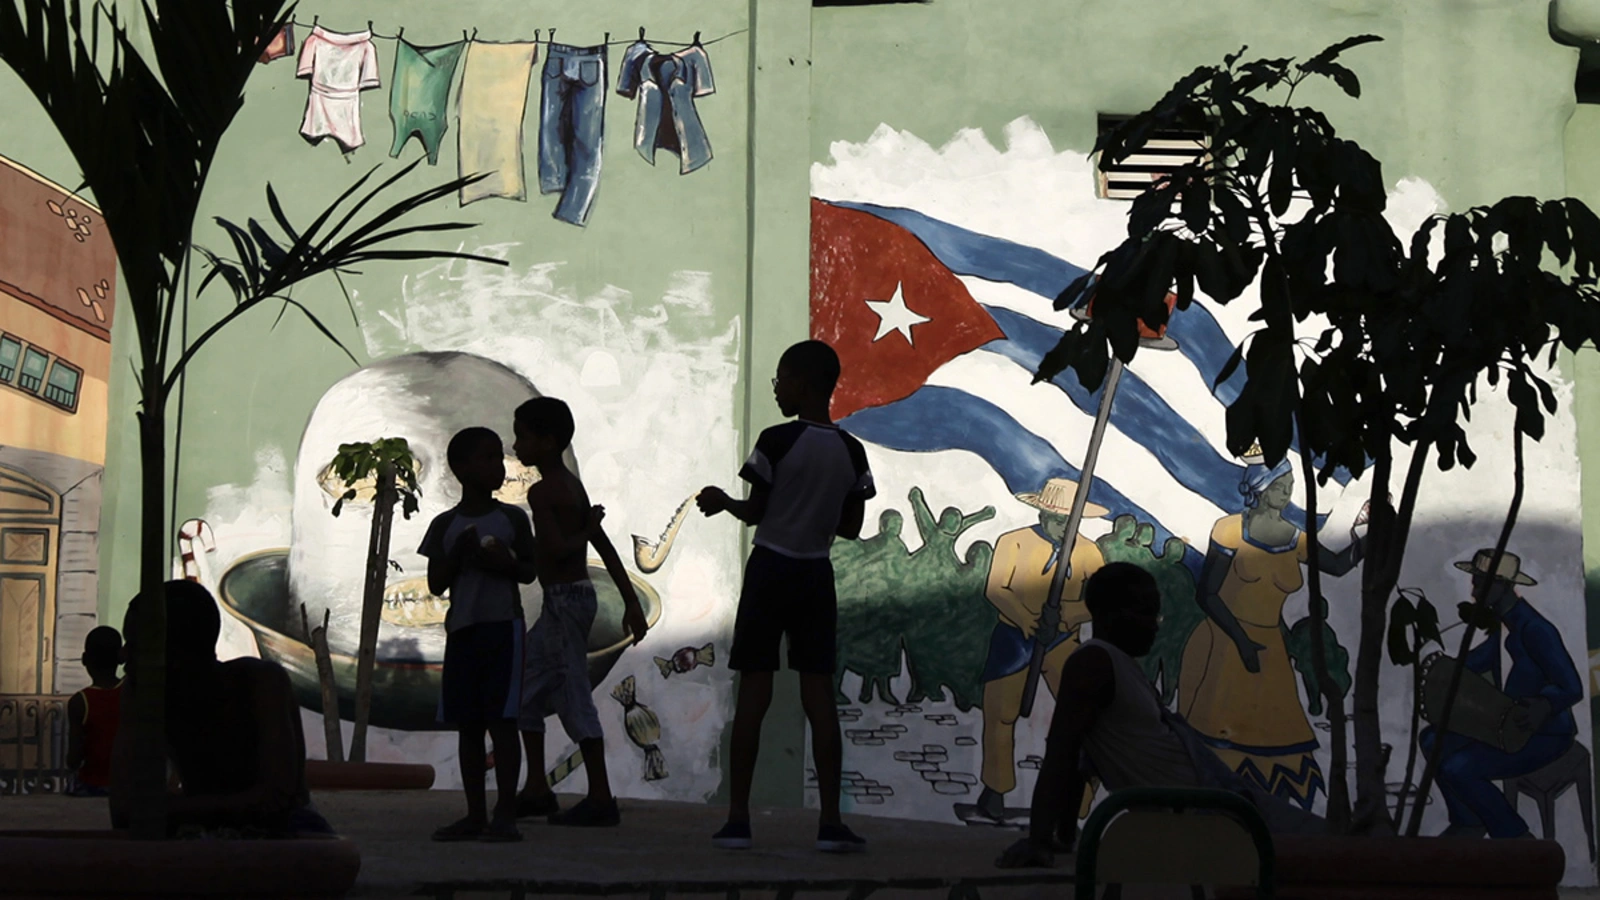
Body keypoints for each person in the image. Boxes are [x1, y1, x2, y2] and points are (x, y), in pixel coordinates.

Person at [997, 562, 1325, 870]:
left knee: (1333, 840)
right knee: (1328, 851)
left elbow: (1080, 761)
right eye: (1146, 613)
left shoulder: (1120, 666)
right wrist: (1039, 841)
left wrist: (1064, 835)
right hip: (1201, 812)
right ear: (1111, 614)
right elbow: (1062, 752)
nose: (1155, 624)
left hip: (1216, 800)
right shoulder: (1093, 664)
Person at [697, 339, 875, 853]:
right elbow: (851, 526)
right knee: (818, 697)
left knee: (755, 692)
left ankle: (737, 819)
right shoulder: (850, 450)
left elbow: (755, 513)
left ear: (801, 381)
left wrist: (722, 501)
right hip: (816, 576)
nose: (777, 387)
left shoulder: (775, 441)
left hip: (771, 568)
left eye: (780, 378)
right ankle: (831, 822)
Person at [1177, 457, 1361, 809]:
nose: (1288, 491)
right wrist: (1242, 642)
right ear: (1260, 489)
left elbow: (1336, 566)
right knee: (1221, 738)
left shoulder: (1295, 538)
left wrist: (1366, 539)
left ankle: (1274, 827)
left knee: (1281, 737)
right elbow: (1207, 593)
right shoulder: (1230, 529)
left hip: (1270, 647)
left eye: (1289, 484)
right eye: (1280, 485)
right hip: (1223, 641)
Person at [511, 397, 648, 827]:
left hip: (566, 601)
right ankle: (536, 789)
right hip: (568, 601)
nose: (516, 446)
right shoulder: (569, 484)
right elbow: (600, 545)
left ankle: (601, 797)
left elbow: (562, 548)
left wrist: (582, 532)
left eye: (523, 437)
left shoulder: (544, 490)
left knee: (572, 695)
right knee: (523, 693)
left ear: (548, 442)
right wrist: (629, 601)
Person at [110, 580, 334, 837]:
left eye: (136, 644)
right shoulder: (142, 694)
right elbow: (123, 810)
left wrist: (166, 808)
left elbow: (276, 799)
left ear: (174, 653)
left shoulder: (260, 683)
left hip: (285, 835)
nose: (122, 656)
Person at [421, 426, 540, 842]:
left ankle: (504, 813)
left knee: (503, 723)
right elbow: (436, 583)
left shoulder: (512, 518)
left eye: (498, 457)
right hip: (463, 632)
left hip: (502, 629)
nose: (498, 466)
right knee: (469, 726)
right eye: (487, 458)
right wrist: (460, 555)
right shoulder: (445, 525)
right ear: (460, 468)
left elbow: (528, 571)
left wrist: (500, 563)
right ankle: (475, 815)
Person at [1420, 549, 1583, 839]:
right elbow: (1481, 661)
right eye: (1475, 582)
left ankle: (1515, 837)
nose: (1474, 591)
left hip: (1542, 734)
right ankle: (1468, 820)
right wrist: (1443, 668)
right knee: (1431, 740)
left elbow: (1571, 686)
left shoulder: (1535, 630)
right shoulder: (1501, 627)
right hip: (1505, 725)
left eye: (1481, 583)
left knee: (1459, 768)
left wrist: (1543, 706)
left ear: (1504, 586)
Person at [972, 478, 1106, 822]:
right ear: (1043, 513)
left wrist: (1066, 616)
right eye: (1057, 518)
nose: (1063, 526)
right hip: (1014, 639)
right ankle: (995, 790)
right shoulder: (1013, 542)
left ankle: (1077, 802)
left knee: (1082, 716)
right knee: (1000, 714)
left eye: (1069, 520)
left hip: (1062, 642)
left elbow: (1100, 599)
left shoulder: (1089, 552)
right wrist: (1027, 619)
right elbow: (996, 588)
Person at [65, 626, 122, 797]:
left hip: (92, 784)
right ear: (120, 658)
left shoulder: (80, 701)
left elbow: (73, 760)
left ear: (84, 659)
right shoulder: (131, 693)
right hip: (126, 784)